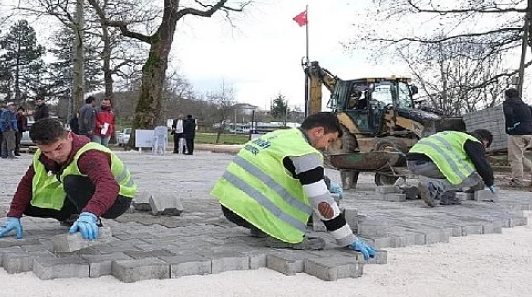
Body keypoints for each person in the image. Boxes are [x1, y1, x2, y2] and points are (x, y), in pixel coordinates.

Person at [210, 112, 377, 259]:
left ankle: (261, 226)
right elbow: (321, 202)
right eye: (329, 140)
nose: (326, 147)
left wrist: (327, 182)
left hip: (230, 204)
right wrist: (347, 238)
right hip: (250, 209)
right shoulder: (306, 152)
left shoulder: (282, 136)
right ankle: (283, 237)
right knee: (300, 206)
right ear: (318, 132)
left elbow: (292, 167)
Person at [0, 118, 137, 240]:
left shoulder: (90, 154)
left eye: (59, 148)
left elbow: (108, 185)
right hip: (85, 194)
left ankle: (91, 221)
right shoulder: (41, 157)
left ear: (69, 137)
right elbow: (26, 183)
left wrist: (90, 214)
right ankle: (71, 216)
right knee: (27, 205)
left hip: (118, 200)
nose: (55, 155)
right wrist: (14, 215)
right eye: (47, 151)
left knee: (72, 181)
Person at [407, 129, 496, 207]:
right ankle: (433, 187)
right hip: (428, 162)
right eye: (485, 146)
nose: (484, 149)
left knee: (454, 170)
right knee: (474, 177)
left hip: (411, 162)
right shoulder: (473, 141)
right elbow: (481, 164)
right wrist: (489, 181)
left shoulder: (455, 136)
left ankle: (446, 196)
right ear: (485, 141)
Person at [502, 88, 532, 187]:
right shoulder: (525, 105)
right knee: (520, 156)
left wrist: (511, 126)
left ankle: (517, 181)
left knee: (514, 157)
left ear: (507, 96)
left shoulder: (508, 103)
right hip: (529, 133)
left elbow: (509, 114)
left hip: (517, 133)